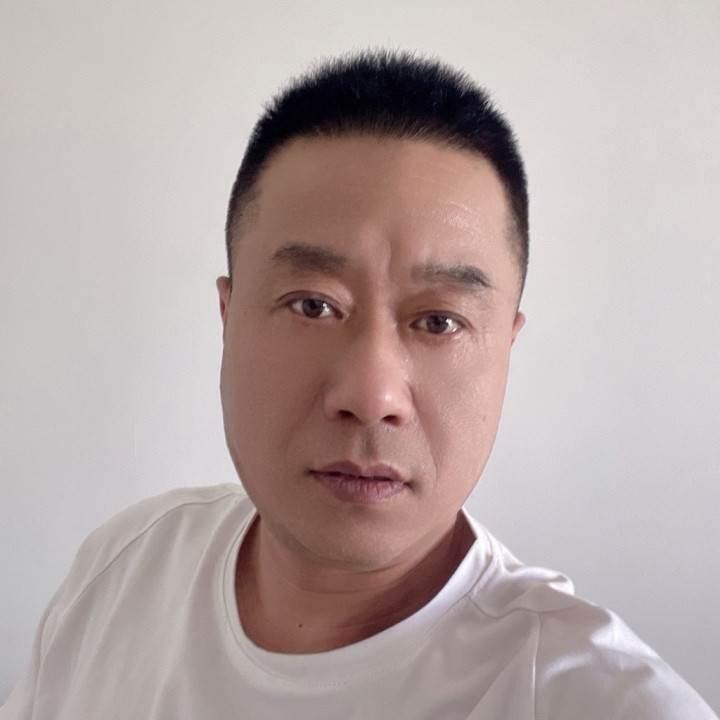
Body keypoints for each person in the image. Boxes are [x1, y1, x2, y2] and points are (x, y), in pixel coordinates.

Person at [1, 50, 716, 720]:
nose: (373, 396)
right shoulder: (123, 571)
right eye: (312, 306)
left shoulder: (591, 699)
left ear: (506, 349)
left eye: (439, 321)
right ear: (227, 317)